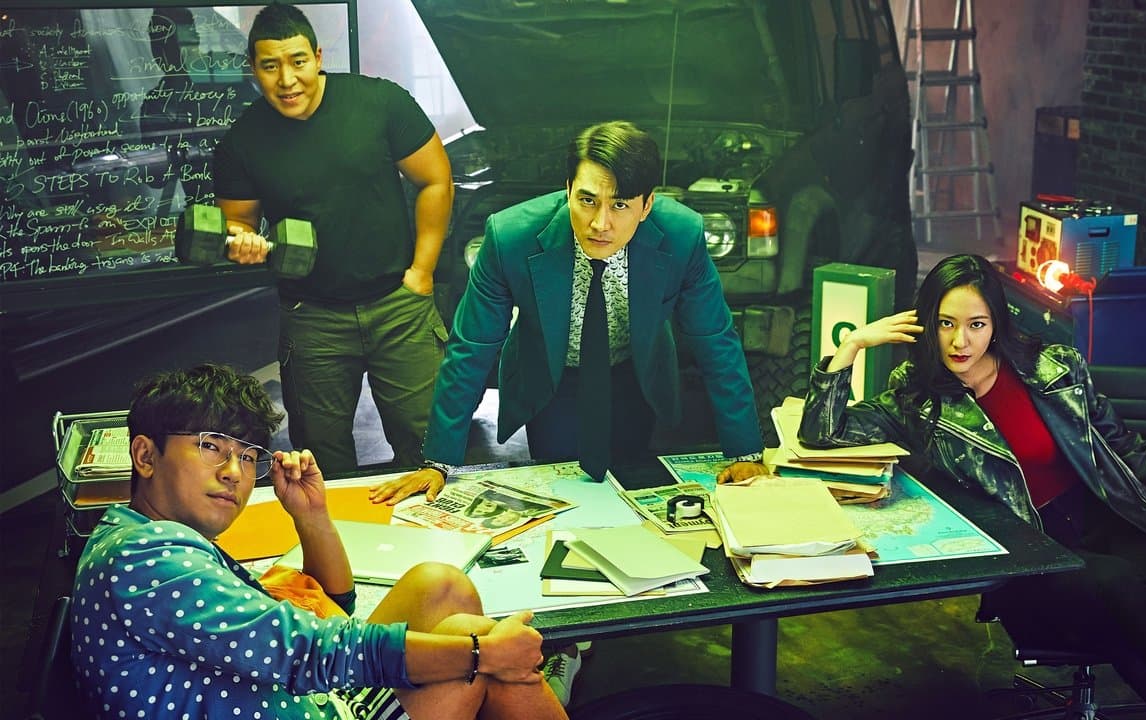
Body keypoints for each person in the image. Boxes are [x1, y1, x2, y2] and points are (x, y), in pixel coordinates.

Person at [796, 253, 1146, 720]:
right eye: (945, 323)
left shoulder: (1053, 368)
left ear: (996, 324)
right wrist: (851, 346)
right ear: (926, 324)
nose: (960, 341)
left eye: (976, 324)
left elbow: (1124, 444)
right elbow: (821, 433)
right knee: (1119, 587)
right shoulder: (915, 397)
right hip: (1027, 550)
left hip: (1097, 520)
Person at [70, 363, 566, 720]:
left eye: (247, 456)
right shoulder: (148, 560)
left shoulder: (140, 536)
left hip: (309, 699)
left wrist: (311, 516)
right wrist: (482, 654)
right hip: (309, 699)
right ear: (145, 456)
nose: (233, 472)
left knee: (441, 586)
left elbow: (331, 608)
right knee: (478, 654)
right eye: (210, 447)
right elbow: (310, 652)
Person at [370, 120, 768, 505]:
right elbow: (471, 348)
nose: (600, 223)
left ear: (647, 205)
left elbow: (716, 341)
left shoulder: (682, 236)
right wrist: (438, 462)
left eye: (620, 205)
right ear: (568, 190)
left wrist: (746, 452)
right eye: (587, 200)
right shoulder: (510, 238)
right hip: (550, 376)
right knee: (561, 487)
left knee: (633, 484)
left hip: (638, 371)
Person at [213, 2, 452, 473]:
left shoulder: (380, 102)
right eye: (270, 66)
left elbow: (436, 180)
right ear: (253, 69)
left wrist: (421, 272)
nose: (287, 80)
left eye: (298, 61)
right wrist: (242, 241)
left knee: (429, 449)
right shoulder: (242, 142)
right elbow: (236, 224)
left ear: (318, 57)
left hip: (398, 307)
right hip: (312, 317)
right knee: (320, 461)